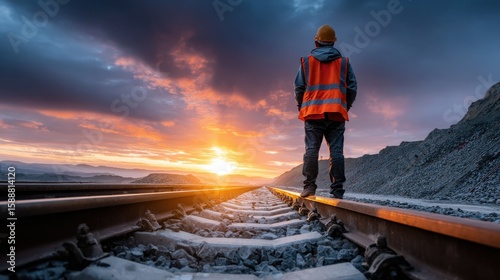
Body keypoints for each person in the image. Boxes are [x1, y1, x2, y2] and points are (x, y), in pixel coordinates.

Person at [294, 24, 357, 198]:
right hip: (336, 113)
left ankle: (309, 187)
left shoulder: (307, 62)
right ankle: (337, 190)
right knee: (336, 151)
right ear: (333, 43)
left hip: (313, 113)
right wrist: (345, 106)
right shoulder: (344, 63)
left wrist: (301, 107)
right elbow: (352, 88)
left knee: (312, 150)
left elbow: (299, 88)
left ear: (317, 42)